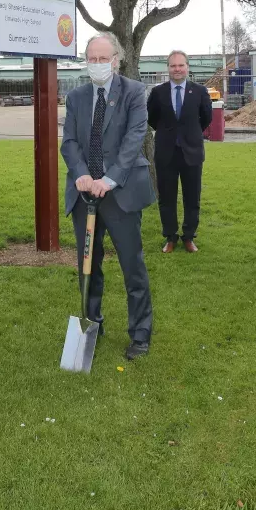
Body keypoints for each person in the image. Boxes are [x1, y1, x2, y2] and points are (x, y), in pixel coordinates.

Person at [61, 32, 156, 361]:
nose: (98, 64)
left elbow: (134, 138)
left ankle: (140, 333)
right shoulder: (76, 97)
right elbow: (70, 142)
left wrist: (111, 178)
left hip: (121, 193)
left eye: (104, 58)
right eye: (92, 59)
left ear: (117, 60)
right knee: (88, 267)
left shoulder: (133, 92)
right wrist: (82, 174)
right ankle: (92, 325)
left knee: (132, 265)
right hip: (84, 192)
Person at [147, 51, 213, 253]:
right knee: (166, 198)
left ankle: (189, 236)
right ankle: (170, 236)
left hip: (191, 152)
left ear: (187, 67)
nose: (177, 69)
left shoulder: (200, 91)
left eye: (181, 65)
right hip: (166, 152)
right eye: (173, 66)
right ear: (168, 68)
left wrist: (188, 134)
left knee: (192, 197)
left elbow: (206, 118)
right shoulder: (158, 92)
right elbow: (152, 118)